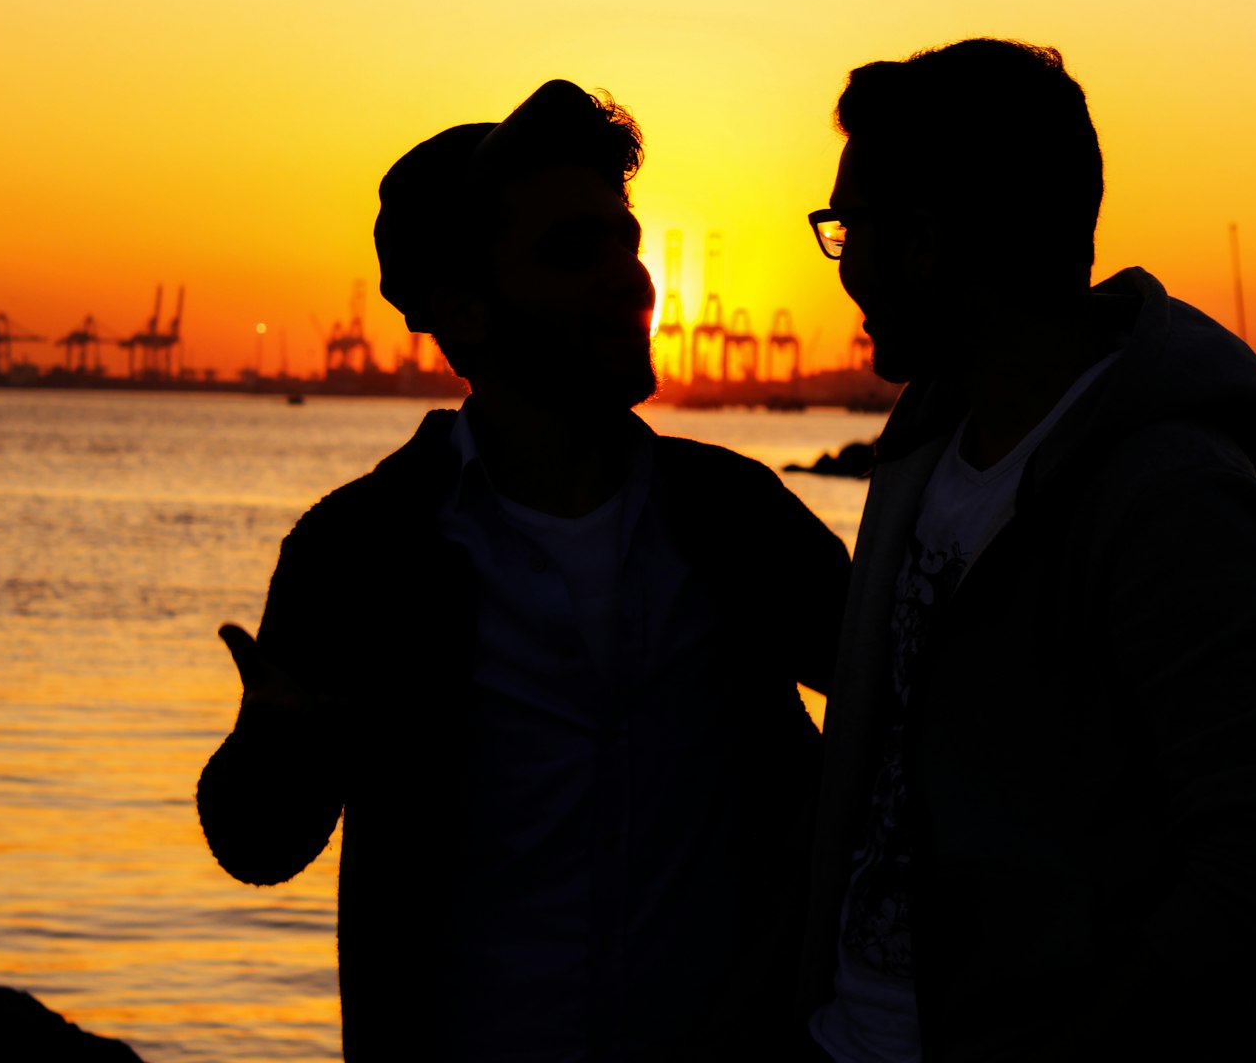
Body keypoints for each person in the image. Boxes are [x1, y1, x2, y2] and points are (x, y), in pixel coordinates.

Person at [197, 80, 848, 1062]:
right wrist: (282, 750)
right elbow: (259, 843)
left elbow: (915, 721)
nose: (629, 278)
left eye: (626, 242)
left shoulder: (735, 514)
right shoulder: (362, 548)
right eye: (570, 251)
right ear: (464, 313)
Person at [800, 40, 1256, 1062]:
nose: (845, 265)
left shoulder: (1175, 503)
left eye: (847, 228)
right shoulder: (926, 450)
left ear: (921, 241)